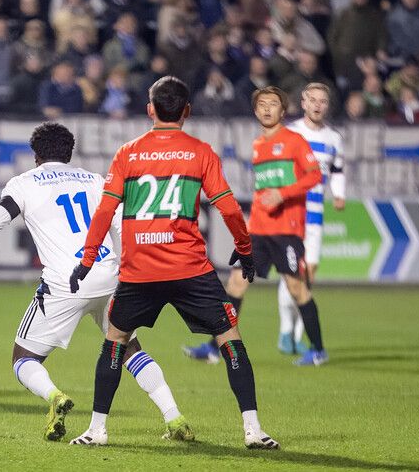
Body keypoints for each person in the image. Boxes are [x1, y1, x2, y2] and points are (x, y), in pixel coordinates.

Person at [68, 76, 279, 449]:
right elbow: (228, 207)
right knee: (230, 338)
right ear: (187, 111)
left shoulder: (128, 153)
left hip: (140, 271)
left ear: (150, 109)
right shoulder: (201, 152)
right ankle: (254, 431)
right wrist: (245, 250)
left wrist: (87, 260)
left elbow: (104, 211)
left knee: (115, 340)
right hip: (191, 269)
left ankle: (97, 430)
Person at [0, 122, 186, 443]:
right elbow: (122, 227)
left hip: (64, 281)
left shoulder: (24, 183)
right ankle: (174, 417)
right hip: (110, 276)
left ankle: (55, 396)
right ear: (69, 153)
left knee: (23, 358)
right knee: (129, 348)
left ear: (36, 156)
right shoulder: (96, 181)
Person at [184, 86, 327, 367]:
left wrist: (283, 194)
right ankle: (216, 347)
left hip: (287, 231)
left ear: (282, 111)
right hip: (259, 231)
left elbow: (315, 177)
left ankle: (318, 350)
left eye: (273, 104)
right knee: (236, 283)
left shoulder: (294, 141)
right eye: (261, 104)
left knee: (297, 289)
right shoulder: (259, 145)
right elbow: (264, 191)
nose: (266, 108)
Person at [277, 83, 345, 354]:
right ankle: (286, 331)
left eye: (323, 101)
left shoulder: (334, 138)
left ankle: (295, 334)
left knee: (308, 274)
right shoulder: (291, 133)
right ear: (303, 103)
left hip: (315, 215)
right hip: (292, 214)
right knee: (292, 273)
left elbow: (338, 169)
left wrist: (339, 194)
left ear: (327, 105)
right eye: (312, 100)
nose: (318, 105)